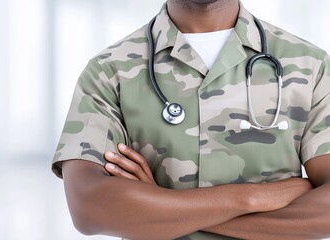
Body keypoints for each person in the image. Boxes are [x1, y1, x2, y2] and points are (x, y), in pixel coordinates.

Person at [52, 0, 330, 239]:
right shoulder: (110, 71)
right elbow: (89, 207)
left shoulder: (311, 66)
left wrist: (162, 208)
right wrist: (249, 198)